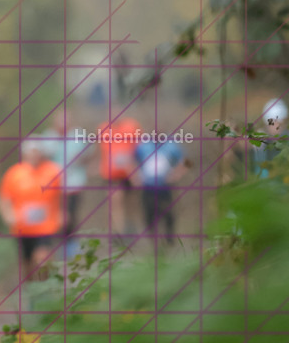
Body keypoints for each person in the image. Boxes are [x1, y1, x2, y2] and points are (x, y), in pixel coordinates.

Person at [0, 141, 64, 280]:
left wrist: (62, 213)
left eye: (36, 152)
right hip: (22, 227)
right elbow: (4, 198)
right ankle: (31, 291)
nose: (34, 155)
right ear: (24, 154)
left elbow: (62, 195)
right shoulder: (14, 173)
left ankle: (45, 287)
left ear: (41, 153)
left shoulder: (53, 171)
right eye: (30, 152)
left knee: (42, 258)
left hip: (46, 226)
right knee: (27, 262)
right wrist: (8, 215)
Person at [40, 110, 93, 257]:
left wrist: (80, 158)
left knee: (71, 213)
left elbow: (89, 155)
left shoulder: (78, 135)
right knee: (56, 214)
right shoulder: (48, 136)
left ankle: (71, 243)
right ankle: (57, 242)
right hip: (53, 184)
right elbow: (41, 158)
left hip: (74, 182)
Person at [95, 116, 141, 245]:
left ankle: (130, 229)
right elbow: (100, 150)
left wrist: (136, 171)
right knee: (115, 204)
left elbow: (139, 149)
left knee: (131, 205)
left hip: (129, 174)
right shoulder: (103, 128)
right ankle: (118, 234)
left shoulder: (132, 126)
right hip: (112, 175)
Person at [133, 134, 186, 246]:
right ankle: (153, 241)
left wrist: (177, 174)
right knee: (149, 214)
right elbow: (130, 161)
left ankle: (169, 240)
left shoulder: (171, 146)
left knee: (168, 213)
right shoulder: (143, 146)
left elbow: (188, 162)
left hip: (165, 187)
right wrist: (134, 177)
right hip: (148, 187)